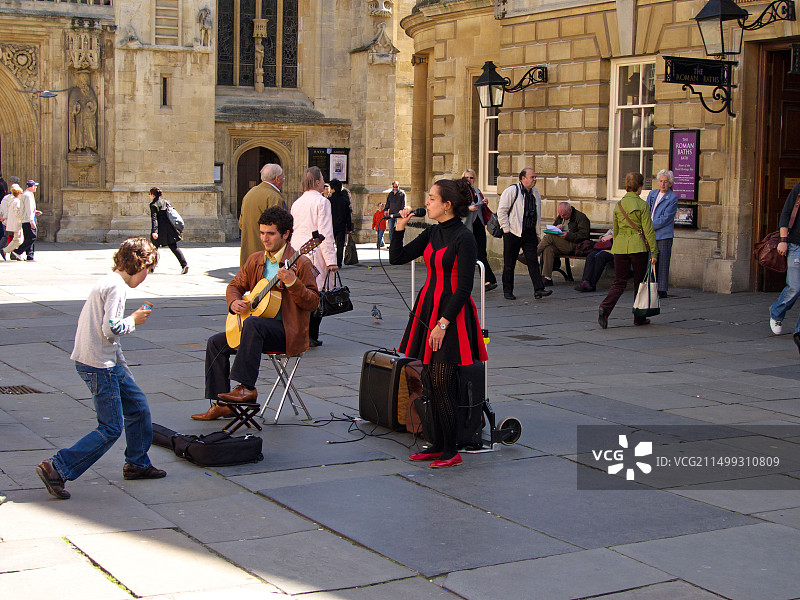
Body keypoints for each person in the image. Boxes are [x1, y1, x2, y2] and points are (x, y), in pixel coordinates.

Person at [35, 238, 165, 500]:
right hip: (98, 365)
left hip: (102, 360)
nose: (146, 278)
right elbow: (112, 329)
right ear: (141, 264)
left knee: (138, 407)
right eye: (148, 272)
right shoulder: (117, 288)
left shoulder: (108, 280)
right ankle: (57, 467)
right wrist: (134, 320)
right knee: (111, 427)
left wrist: (125, 371)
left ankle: (137, 463)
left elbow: (109, 339)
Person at [389, 178, 488, 469]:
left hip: (451, 315)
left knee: (443, 382)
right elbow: (397, 257)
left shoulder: (464, 237)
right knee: (430, 381)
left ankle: (451, 449)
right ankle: (438, 443)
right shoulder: (433, 233)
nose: (427, 202)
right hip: (428, 307)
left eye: (432, 198)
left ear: (447, 205)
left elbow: (464, 288)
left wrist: (442, 324)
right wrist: (399, 228)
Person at [191, 207, 319, 420]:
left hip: (287, 332)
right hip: (256, 333)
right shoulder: (256, 259)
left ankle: (246, 387)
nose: (264, 238)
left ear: (286, 234)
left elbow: (313, 302)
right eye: (262, 233)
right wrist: (234, 302)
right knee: (216, 342)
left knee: (253, 324)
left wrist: (293, 283)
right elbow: (235, 285)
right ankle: (222, 404)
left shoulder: (301, 262)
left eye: (270, 233)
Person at [598, 172, 658, 329]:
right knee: (639, 283)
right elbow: (648, 231)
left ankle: (605, 308)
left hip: (620, 247)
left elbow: (615, 231)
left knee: (619, 282)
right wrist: (654, 251)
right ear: (639, 186)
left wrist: (616, 246)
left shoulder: (619, 205)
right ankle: (639, 316)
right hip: (638, 247)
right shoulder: (642, 205)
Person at [291, 166, 337, 347]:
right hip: (315, 251)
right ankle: (310, 334)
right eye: (322, 178)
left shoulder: (297, 202)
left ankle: (302, 332)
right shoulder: (322, 202)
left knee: (301, 292)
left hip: (298, 251)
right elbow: (325, 232)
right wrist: (331, 261)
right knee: (317, 294)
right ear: (317, 181)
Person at [497, 168, 552, 300]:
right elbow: (502, 211)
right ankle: (508, 290)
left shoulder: (535, 193)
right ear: (523, 178)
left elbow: (537, 215)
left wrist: (538, 233)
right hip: (513, 231)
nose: (535, 179)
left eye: (535, 177)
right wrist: (506, 229)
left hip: (529, 232)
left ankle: (539, 289)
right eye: (532, 177)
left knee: (533, 260)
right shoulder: (512, 191)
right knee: (509, 263)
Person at [769, 181, 800, 354]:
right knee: (795, 287)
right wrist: (783, 241)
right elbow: (786, 214)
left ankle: (799, 331)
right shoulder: (798, 189)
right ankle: (777, 312)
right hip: (796, 245)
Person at [239, 163, 285, 267]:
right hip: (266, 256)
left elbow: (241, 224)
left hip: (248, 255)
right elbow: (279, 228)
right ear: (277, 179)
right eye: (283, 177)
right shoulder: (274, 197)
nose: (283, 180)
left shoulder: (249, 194)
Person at [537, 201, 591, 286]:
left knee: (549, 237)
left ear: (570, 210)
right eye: (561, 215)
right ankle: (547, 278)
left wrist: (568, 235)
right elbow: (551, 231)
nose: (562, 217)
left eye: (564, 215)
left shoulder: (580, 217)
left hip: (574, 245)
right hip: (561, 245)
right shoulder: (561, 217)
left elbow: (584, 235)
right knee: (548, 248)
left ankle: (532, 254)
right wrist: (556, 228)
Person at [646, 169, 679, 298]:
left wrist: (649, 226)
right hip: (651, 234)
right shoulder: (652, 194)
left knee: (663, 262)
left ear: (670, 183)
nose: (663, 184)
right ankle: (651, 286)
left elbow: (666, 218)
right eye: (661, 181)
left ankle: (662, 289)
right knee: (652, 261)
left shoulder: (672, 197)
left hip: (664, 234)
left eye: (665, 182)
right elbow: (646, 210)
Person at [462, 169, 497, 292]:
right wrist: (468, 208)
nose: (469, 180)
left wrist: (484, 202)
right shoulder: (461, 192)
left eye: (471, 178)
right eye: (466, 177)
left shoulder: (477, 191)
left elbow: (482, 207)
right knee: (471, 254)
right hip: (467, 226)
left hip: (479, 224)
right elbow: (457, 209)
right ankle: (488, 279)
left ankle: (489, 280)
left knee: (481, 252)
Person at [149, 187, 188, 273]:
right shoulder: (165, 202)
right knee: (174, 247)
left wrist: (154, 231)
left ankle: (151, 267)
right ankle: (184, 265)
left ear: (153, 195)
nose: (149, 196)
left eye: (150, 194)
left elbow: (154, 219)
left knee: (154, 248)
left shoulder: (153, 205)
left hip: (160, 230)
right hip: (170, 229)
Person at [328, 179, 353, 268]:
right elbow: (348, 215)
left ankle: (331, 261)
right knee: (340, 245)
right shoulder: (344, 200)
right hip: (342, 226)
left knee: (330, 244)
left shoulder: (329, 200)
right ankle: (339, 262)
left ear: (333, 189)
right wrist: (349, 227)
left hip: (331, 226)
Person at [14, 180, 38, 261]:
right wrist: (31, 221)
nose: (36, 187)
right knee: (32, 237)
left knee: (28, 237)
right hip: (28, 220)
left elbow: (27, 208)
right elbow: (28, 208)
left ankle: (30, 255)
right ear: (31, 187)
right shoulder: (28, 195)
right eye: (35, 186)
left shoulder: (26, 194)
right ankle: (18, 251)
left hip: (26, 219)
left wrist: (36, 211)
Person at [0, 184, 24, 260]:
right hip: (16, 223)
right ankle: (5, 251)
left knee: (17, 239)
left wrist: (3, 217)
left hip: (11, 222)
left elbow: (7, 212)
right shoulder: (17, 201)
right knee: (18, 240)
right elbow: (18, 213)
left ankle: (7, 251)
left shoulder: (11, 200)